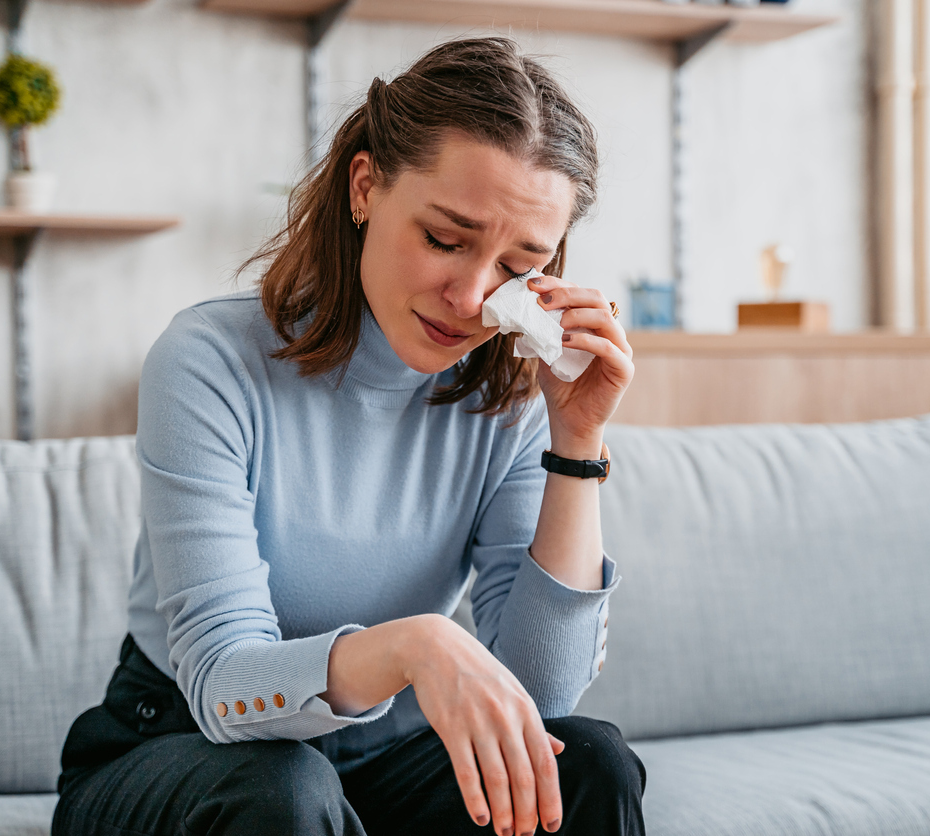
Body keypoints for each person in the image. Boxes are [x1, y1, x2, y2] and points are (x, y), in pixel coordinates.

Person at [53, 36, 644, 836]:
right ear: (365, 187)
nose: (472, 298)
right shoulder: (208, 363)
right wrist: (416, 647)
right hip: (186, 752)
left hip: (379, 762)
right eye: (444, 239)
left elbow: (540, 696)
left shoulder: (510, 401)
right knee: (286, 791)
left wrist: (576, 441)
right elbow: (225, 685)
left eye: (516, 266)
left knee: (589, 764)